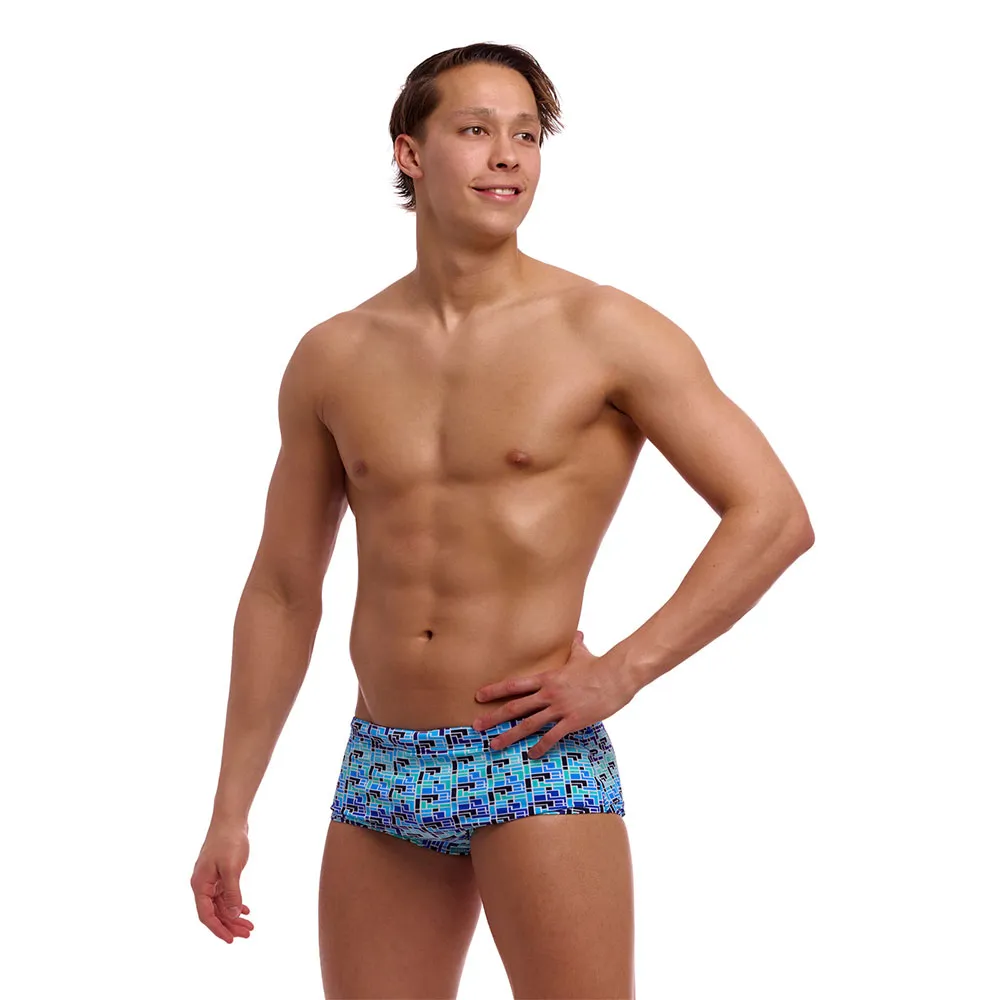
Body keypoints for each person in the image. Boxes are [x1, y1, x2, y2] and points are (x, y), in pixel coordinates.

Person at [190, 41, 814, 1000]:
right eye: (476, 130)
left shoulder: (604, 330)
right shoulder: (334, 355)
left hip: (533, 756)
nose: (507, 157)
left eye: (526, 136)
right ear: (409, 153)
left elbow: (772, 514)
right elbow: (282, 590)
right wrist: (231, 809)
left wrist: (621, 672)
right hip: (381, 765)